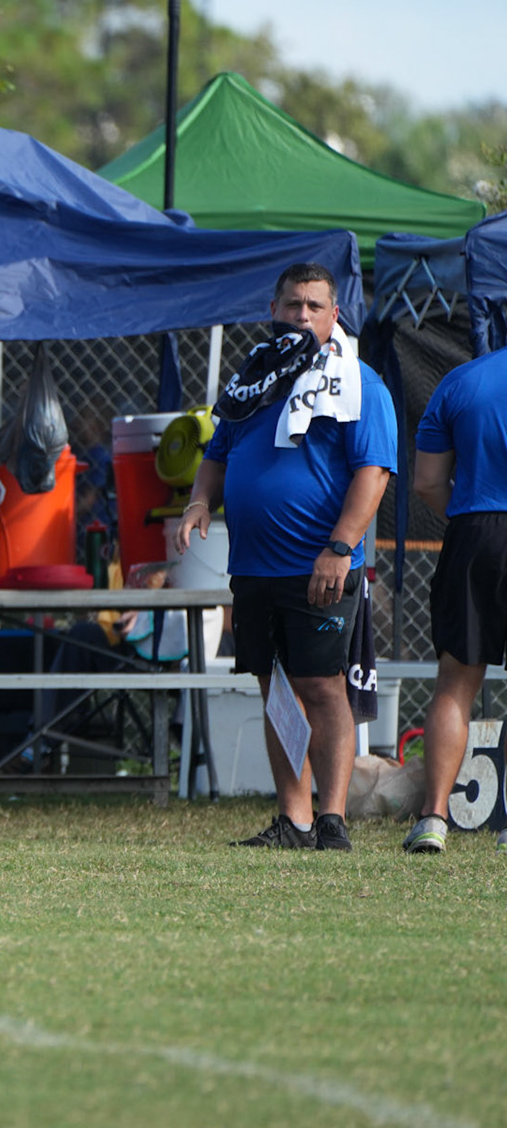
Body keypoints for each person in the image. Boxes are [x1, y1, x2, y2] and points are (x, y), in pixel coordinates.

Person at [176, 263, 396, 852]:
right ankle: (294, 821)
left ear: (334, 315)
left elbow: (373, 473)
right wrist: (199, 502)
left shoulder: (358, 382)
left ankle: (332, 819)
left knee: (321, 686)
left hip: (320, 564)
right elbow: (218, 453)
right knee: (274, 687)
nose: (302, 315)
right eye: (293, 305)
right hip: (253, 565)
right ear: (272, 311)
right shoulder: (252, 381)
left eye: (314, 306)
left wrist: (339, 548)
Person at [404, 338, 507, 854]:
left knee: (455, 684)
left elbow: (427, 482)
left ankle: (434, 818)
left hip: (473, 532)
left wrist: (471, 519)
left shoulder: (461, 381)